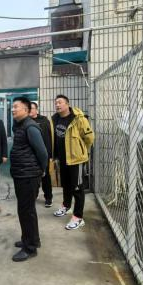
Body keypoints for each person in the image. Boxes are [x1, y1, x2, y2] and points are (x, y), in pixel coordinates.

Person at [10, 97, 48, 262]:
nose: (13, 109)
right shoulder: (20, 125)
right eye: (12, 107)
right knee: (25, 210)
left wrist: (42, 170)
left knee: (27, 211)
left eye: (16, 107)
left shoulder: (30, 127)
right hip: (21, 174)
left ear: (26, 110)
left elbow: (43, 153)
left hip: (29, 176)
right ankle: (30, 239)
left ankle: (30, 248)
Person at [51, 95, 94, 230]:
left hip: (76, 160)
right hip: (62, 159)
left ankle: (78, 217)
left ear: (67, 104)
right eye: (56, 103)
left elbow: (89, 138)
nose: (57, 105)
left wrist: (82, 151)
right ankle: (66, 206)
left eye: (60, 102)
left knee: (77, 187)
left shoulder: (78, 119)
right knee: (66, 184)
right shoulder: (55, 119)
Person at [30, 101, 53, 207]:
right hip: (31, 155)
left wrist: (50, 154)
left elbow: (49, 137)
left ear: (36, 109)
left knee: (45, 176)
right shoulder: (25, 121)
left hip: (43, 153)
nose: (30, 110)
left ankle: (48, 198)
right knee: (33, 177)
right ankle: (33, 195)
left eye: (32, 108)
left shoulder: (44, 120)